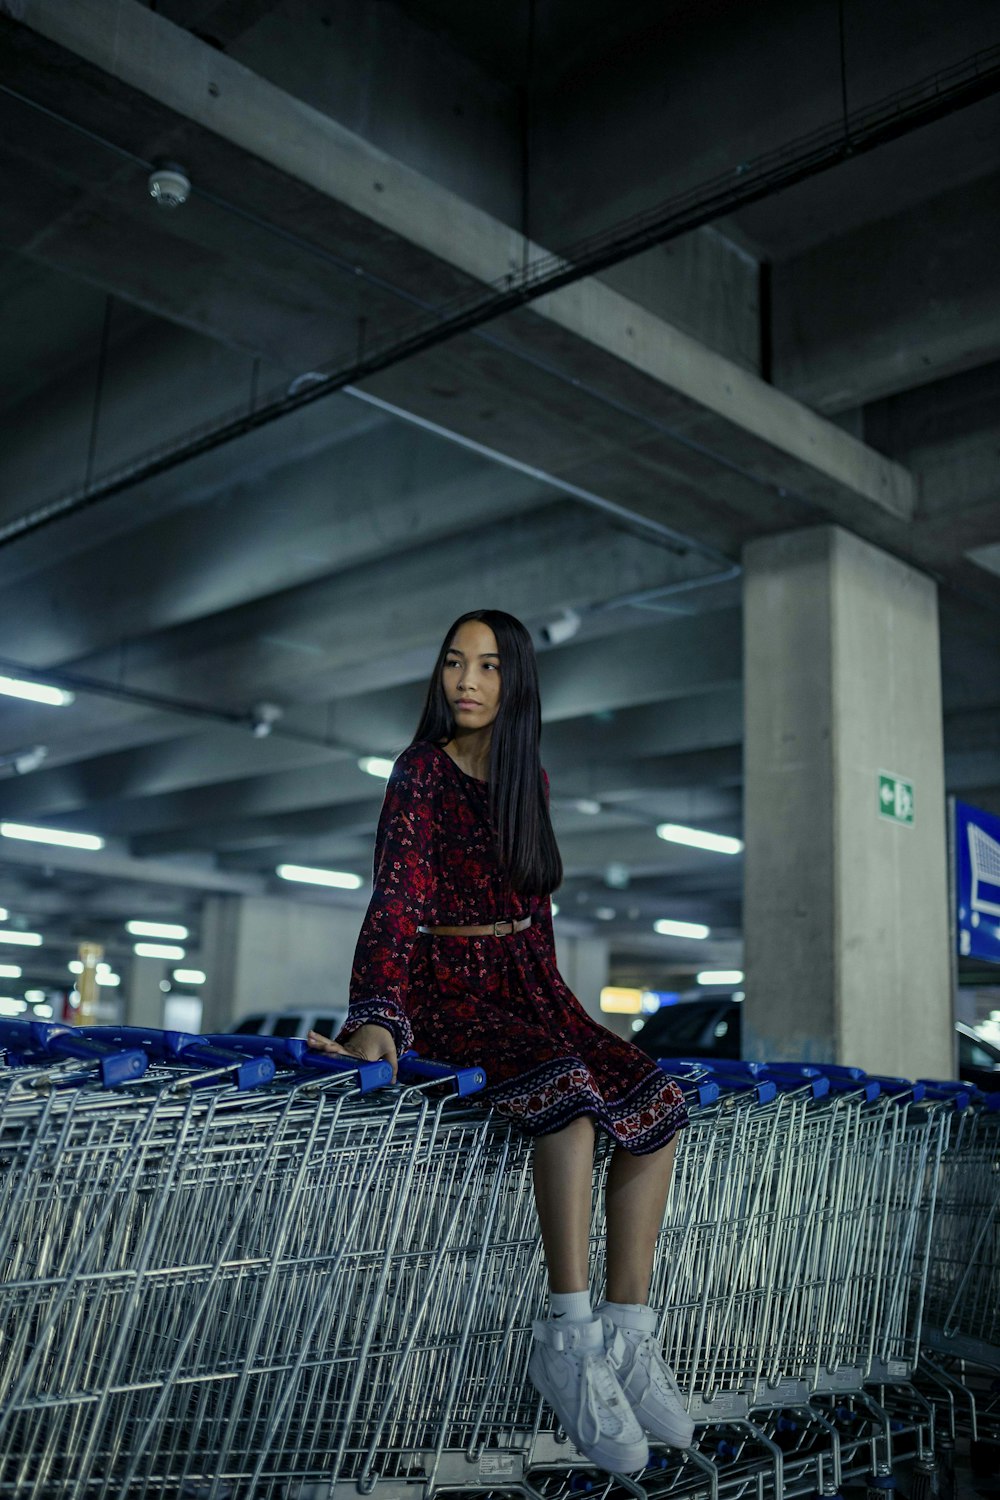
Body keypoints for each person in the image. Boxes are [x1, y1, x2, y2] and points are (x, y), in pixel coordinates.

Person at [308, 608, 691, 1474]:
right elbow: (397, 900)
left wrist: (564, 1007)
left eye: (486, 666)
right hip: (448, 987)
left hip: (526, 980)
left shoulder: (531, 780)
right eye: (454, 663)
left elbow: (539, 911)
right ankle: (569, 1335)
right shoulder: (419, 772)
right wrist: (377, 1012)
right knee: (570, 1102)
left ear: (514, 682)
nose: (467, 681)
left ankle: (629, 1337)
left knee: (655, 1098)